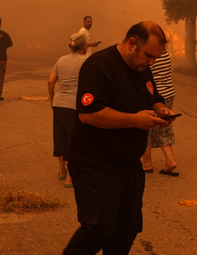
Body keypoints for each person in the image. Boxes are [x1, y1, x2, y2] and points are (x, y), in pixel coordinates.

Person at [64, 21, 176, 255]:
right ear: (132, 43)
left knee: (127, 229)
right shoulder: (99, 65)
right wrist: (135, 120)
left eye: (155, 58)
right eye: (149, 56)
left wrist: (160, 109)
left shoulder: (142, 67)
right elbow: (89, 114)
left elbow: (153, 96)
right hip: (94, 163)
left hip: (128, 164)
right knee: (99, 227)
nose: (151, 62)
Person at [47, 32, 88, 188]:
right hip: (75, 105)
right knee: (74, 138)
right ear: (84, 46)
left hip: (59, 104)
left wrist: (52, 100)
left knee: (60, 137)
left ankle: (62, 171)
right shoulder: (87, 61)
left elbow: (50, 82)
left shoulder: (61, 60)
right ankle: (71, 177)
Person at [141, 50, 179, 176]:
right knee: (165, 126)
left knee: (146, 126)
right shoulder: (166, 53)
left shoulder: (149, 55)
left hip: (153, 95)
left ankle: (146, 164)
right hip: (168, 93)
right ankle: (170, 161)